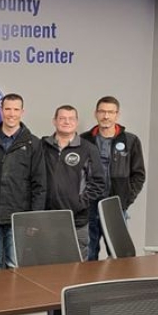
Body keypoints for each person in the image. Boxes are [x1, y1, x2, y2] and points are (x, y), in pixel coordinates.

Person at [0, 93, 46, 270]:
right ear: (1, 111)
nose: (11, 113)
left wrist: (33, 218)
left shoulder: (34, 143)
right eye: (7, 109)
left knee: (14, 266)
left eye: (16, 109)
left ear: (22, 112)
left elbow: (40, 185)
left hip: (19, 219)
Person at [81, 96, 146, 260]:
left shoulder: (130, 140)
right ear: (96, 114)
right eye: (102, 111)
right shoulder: (83, 139)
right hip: (89, 205)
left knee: (118, 256)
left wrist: (126, 199)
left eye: (110, 112)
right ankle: (89, 285)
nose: (106, 116)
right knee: (89, 253)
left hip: (115, 205)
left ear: (117, 115)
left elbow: (138, 174)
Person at [41, 105, 106, 260]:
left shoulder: (88, 149)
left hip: (76, 220)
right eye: (62, 118)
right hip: (47, 219)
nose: (66, 122)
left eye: (71, 118)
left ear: (76, 122)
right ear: (54, 121)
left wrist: (79, 203)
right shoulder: (42, 146)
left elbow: (98, 182)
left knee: (77, 269)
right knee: (46, 267)